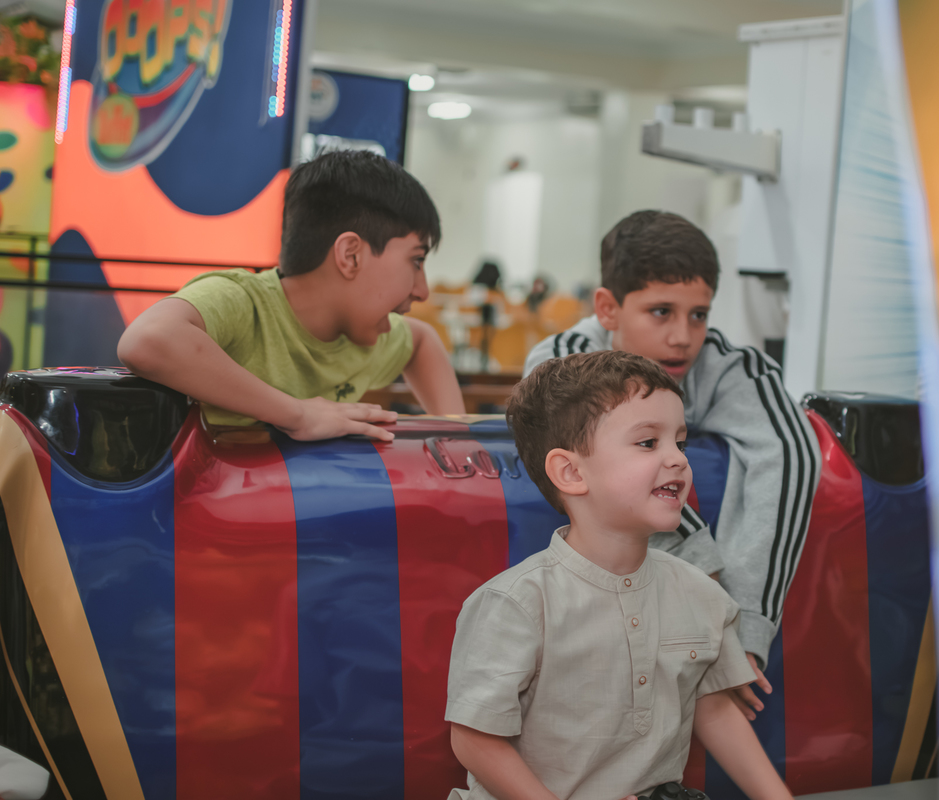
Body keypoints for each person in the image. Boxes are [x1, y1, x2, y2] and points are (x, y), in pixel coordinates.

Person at [446, 351, 793, 800]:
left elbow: (712, 709)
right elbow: (474, 740)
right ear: (570, 472)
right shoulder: (515, 603)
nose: (677, 460)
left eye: (680, 443)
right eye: (649, 443)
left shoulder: (701, 594)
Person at [522, 210, 820, 719]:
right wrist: (710, 598)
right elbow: (618, 476)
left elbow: (791, 454)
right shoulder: (565, 363)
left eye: (699, 314)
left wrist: (747, 621)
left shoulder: (727, 364)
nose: (684, 336)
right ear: (608, 308)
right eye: (661, 312)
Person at [117, 150, 464, 441]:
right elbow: (148, 341)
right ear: (351, 256)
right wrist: (298, 414)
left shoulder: (366, 335)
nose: (423, 290)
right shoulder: (244, 302)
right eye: (416, 261)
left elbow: (421, 342)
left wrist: (457, 439)